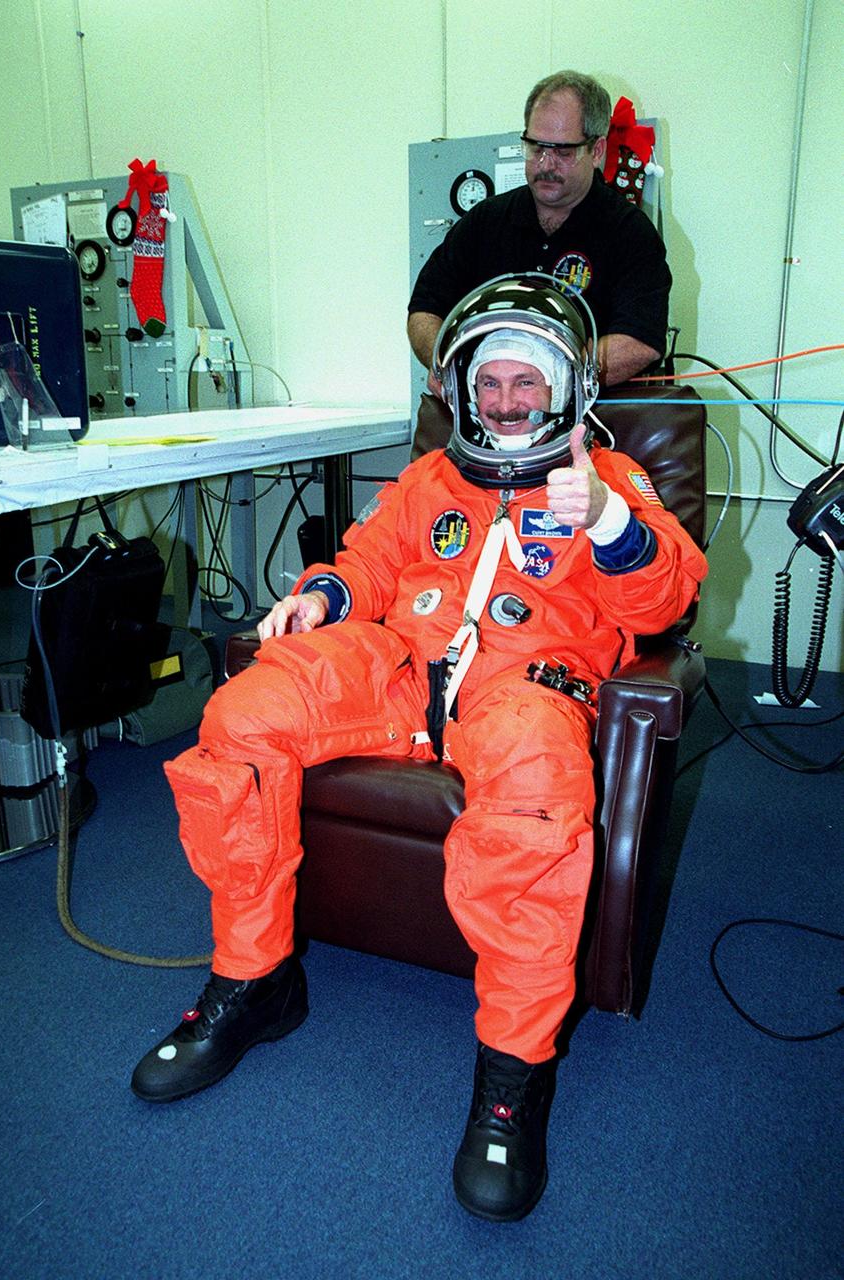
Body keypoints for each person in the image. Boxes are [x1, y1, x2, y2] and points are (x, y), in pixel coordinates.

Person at [131, 275, 706, 1223]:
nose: (509, 401)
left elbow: (664, 606)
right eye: (492, 383)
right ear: (463, 389)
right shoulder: (429, 481)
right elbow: (366, 560)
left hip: (522, 689)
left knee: (532, 791)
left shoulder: (614, 485)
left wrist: (606, 524)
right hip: (400, 665)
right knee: (242, 717)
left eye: (530, 383)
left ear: (565, 390)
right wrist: (322, 595)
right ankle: (253, 980)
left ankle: (512, 1077)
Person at [408, 69, 671, 394]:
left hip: (593, 424)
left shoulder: (630, 233)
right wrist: (445, 363)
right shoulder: (484, 222)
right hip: (485, 418)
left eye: (563, 152)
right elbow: (424, 310)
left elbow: (640, 341)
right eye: (535, 148)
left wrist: (548, 380)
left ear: (597, 151)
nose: (546, 164)